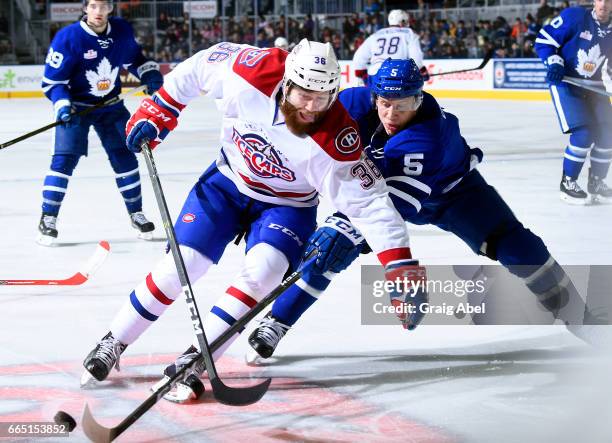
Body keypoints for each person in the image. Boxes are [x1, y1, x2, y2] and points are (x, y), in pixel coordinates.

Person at [82, 40, 419, 402]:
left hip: (287, 206)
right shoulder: (251, 70)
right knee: (181, 265)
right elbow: (198, 66)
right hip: (227, 183)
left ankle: (195, 360)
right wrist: (161, 108)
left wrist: (399, 265)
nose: (311, 108)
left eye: (322, 98)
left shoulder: (337, 137)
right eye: (304, 94)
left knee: (265, 272)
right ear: (287, 82)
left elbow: (371, 203)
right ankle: (114, 340)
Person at [247, 58, 591, 362]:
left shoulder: (428, 134)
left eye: (404, 104)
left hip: (454, 195)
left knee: (520, 248)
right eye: (384, 103)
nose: (392, 114)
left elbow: (393, 207)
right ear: (372, 96)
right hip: (383, 189)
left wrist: (357, 236)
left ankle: (578, 314)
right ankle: (276, 322)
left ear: (420, 98)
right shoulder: (350, 104)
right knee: (326, 253)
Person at [38, 0, 163, 245]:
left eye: (103, 6)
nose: (98, 11)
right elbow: (52, 82)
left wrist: (148, 74)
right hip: (76, 108)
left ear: (110, 8)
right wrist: (62, 104)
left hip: (111, 106)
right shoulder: (68, 37)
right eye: (93, 6)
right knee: (64, 159)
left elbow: (135, 58)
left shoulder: (121, 30)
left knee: (125, 156)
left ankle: (136, 213)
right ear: (85, 8)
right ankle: (48, 218)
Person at [535, 0, 612, 204]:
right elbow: (544, 41)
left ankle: (597, 182)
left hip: (595, 87)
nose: (604, 4)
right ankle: (568, 183)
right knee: (583, 133)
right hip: (566, 83)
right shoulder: (576, 16)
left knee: (608, 133)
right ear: (594, 1)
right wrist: (553, 61)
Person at [352, 9, 427, 85]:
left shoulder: (376, 34)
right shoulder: (409, 33)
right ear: (402, 22)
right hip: (398, 76)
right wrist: (422, 72)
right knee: (418, 95)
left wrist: (363, 76)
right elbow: (416, 57)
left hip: (375, 75)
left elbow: (358, 57)